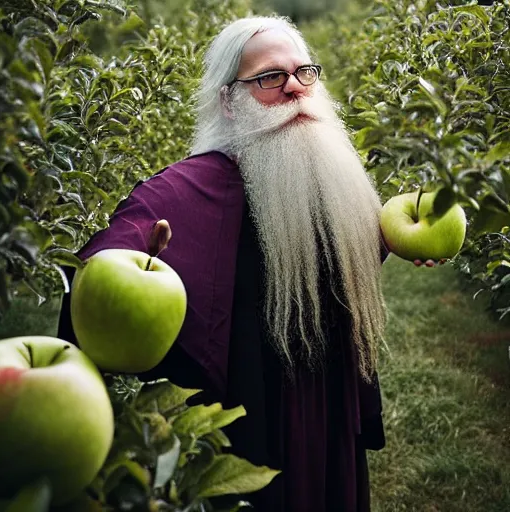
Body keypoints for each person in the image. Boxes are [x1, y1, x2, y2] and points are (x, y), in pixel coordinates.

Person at [58, 15, 389, 512]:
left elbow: (356, 242)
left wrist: (400, 237)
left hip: (327, 397)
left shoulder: (325, 169)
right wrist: (121, 268)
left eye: (304, 72)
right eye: (270, 78)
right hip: (254, 405)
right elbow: (107, 257)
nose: (295, 89)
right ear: (229, 102)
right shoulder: (190, 187)